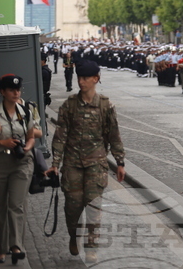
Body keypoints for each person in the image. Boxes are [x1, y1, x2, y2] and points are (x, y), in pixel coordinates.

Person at [45, 61, 126, 257]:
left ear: (95, 79)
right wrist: (55, 164)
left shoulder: (106, 105)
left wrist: (120, 162)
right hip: (72, 164)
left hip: (96, 164)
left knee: (93, 206)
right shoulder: (69, 105)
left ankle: (91, 246)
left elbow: (114, 135)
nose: (81, 81)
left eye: (85, 78)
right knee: (72, 208)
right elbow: (60, 137)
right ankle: (74, 235)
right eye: (79, 78)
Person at [0, 75, 41, 265]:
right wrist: (1, 142)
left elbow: (32, 135)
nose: (16, 93)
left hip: (22, 162)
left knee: (16, 204)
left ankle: (16, 245)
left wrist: (28, 145)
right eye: (11, 90)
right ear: (2, 92)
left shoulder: (26, 111)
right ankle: (1, 249)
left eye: (18, 89)